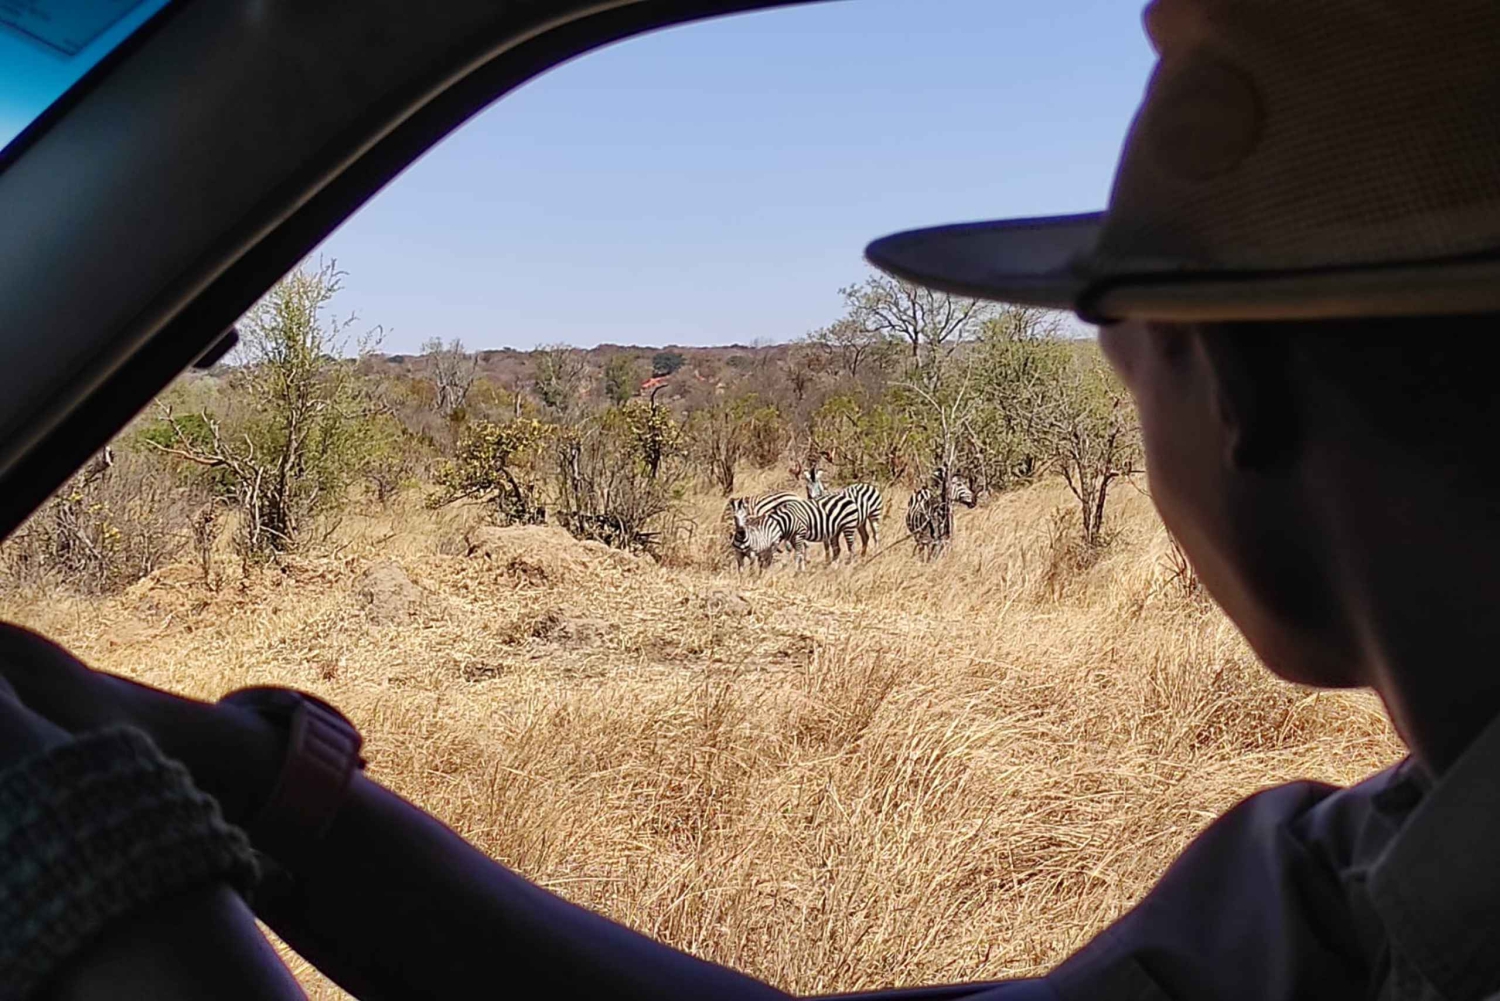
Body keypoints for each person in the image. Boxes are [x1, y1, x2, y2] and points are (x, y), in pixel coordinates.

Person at [3, 0, 1500, 997]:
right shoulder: (1380, 877)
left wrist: (119, 894)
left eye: (1119, 349)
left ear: (1234, 387)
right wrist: (258, 780)